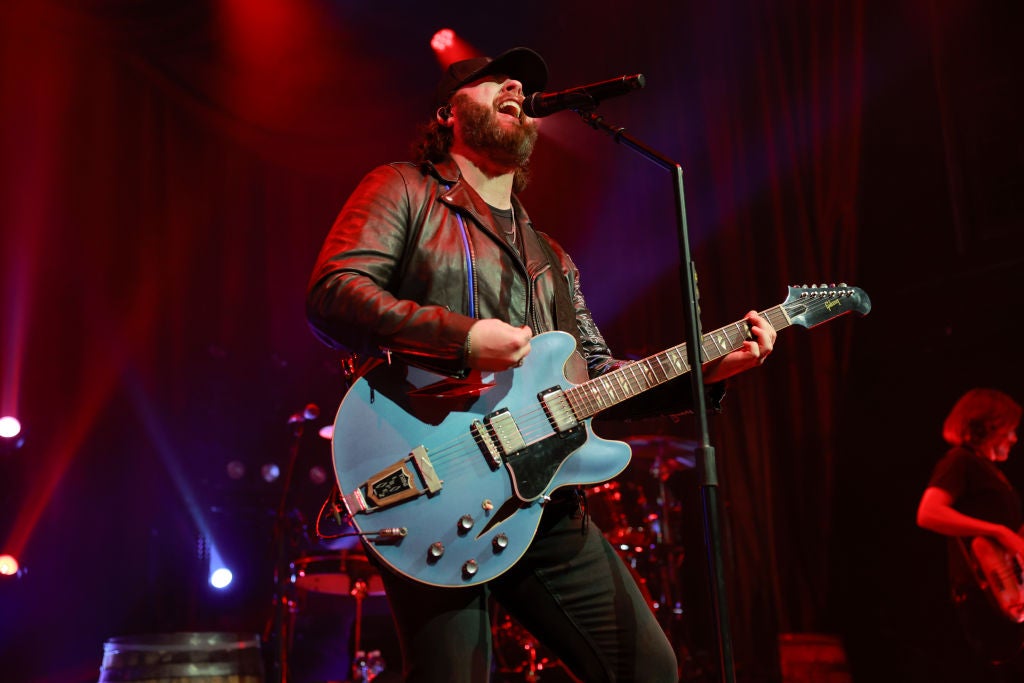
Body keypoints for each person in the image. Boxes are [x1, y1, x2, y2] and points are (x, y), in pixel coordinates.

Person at [306, 46, 777, 683]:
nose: (515, 85)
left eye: (520, 84)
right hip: (430, 479)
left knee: (646, 668)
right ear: (448, 113)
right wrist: (465, 338)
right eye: (492, 79)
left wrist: (706, 375)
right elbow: (335, 293)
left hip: (540, 498)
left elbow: (597, 379)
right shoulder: (404, 189)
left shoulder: (549, 256)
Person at [917, 388, 1024, 674]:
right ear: (988, 426)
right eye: (1010, 430)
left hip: (1007, 594)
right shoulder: (959, 460)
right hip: (981, 594)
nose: (1014, 438)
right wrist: (1000, 532)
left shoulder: (991, 471)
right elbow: (928, 513)